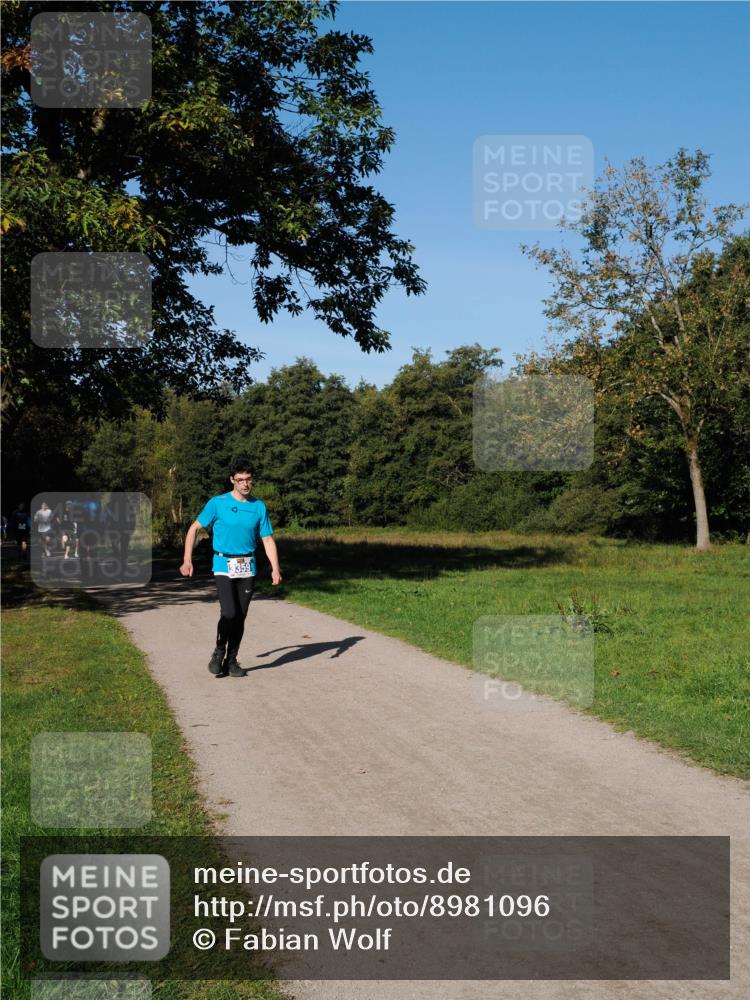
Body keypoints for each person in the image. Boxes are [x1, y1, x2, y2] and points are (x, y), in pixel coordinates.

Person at [180, 458, 282, 677]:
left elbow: (267, 539)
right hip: (223, 564)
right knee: (229, 613)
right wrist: (187, 559)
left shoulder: (258, 506)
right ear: (232, 480)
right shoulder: (217, 503)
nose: (245, 484)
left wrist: (275, 568)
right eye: (240, 480)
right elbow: (194, 529)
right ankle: (219, 651)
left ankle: (231, 660)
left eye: (248, 479)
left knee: (240, 616)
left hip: (247, 566)